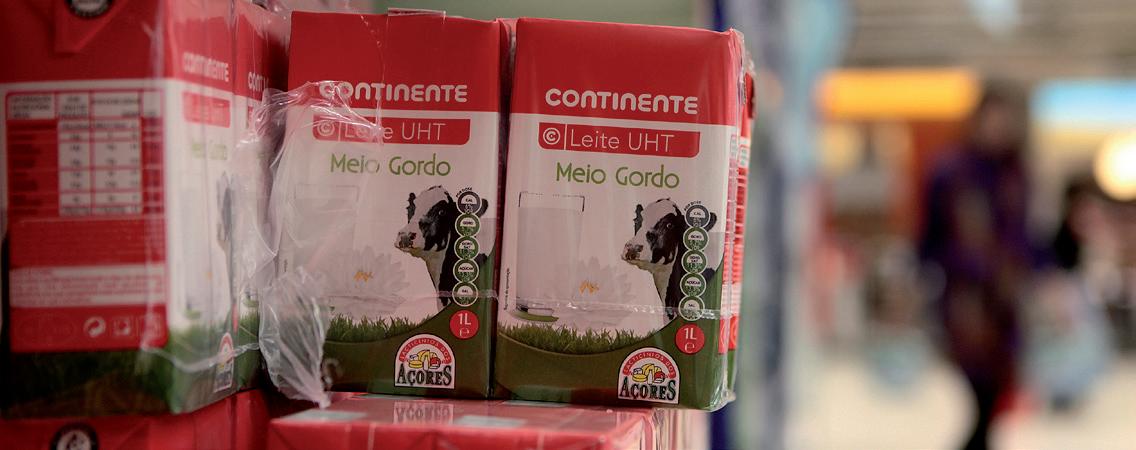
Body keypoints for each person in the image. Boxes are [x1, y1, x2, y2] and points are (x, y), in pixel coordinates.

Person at [918, 83, 1036, 450]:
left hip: (1005, 300)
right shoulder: (951, 173)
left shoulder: (1015, 175)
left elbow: (1026, 236)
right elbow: (929, 239)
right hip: (965, 300)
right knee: (975, 396)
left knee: (995, 397)